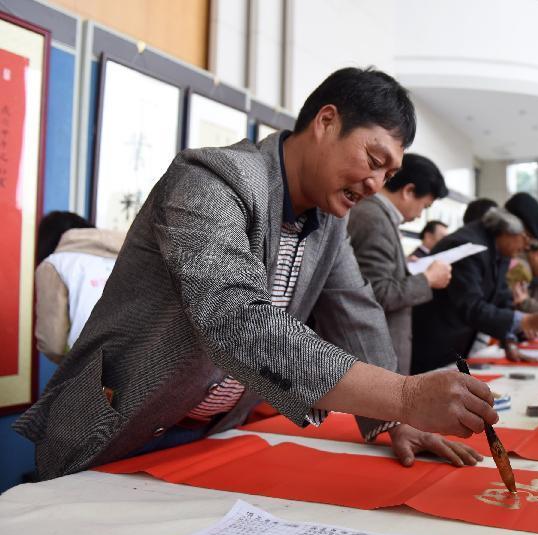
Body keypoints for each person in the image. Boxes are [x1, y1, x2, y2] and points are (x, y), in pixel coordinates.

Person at [15, 67, 494, 480]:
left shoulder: (329, 222)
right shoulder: (211, 179)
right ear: (327, 121)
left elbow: (356, 313)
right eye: (373, 161)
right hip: (117, 424)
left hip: (208, 436)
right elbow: (237, 320)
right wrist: (406, 395)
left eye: (389, 176)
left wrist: (391, 419)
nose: (375, 185)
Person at [411, 201, 538, 374]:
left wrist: (509, 340)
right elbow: (471, 306)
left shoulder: (499, 248)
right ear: (509, 227)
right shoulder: (467, 246)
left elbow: (502, 297)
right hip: (433, 346)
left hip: (455, 346)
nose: (526, 248)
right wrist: (526, 321)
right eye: (527, 239)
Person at [348, 153, 451, 375]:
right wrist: (428, 280)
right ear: (409, 191)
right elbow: (377, 292)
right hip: (373, 357)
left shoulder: (376, 215)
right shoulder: (374, 219)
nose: (421, 214)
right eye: (424, 206)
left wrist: (403, 265)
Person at [34, 212, 125, 363]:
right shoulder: (128, 255)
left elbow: (52, 344)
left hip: (93, 367)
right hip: (150, 364)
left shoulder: (54, 264)